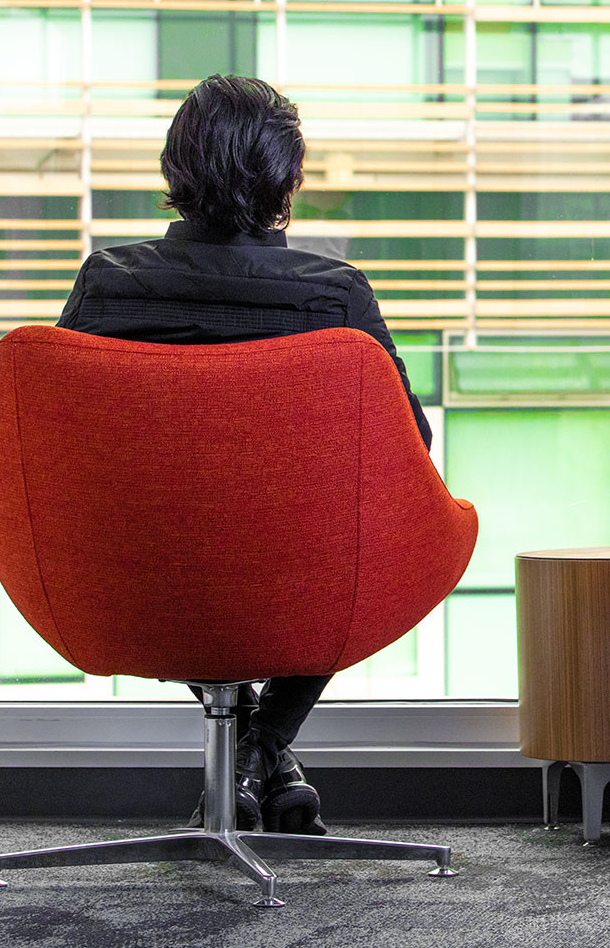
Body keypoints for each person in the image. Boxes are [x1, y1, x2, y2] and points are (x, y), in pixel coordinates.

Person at [56, 74, 432, 835]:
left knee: (167, 542)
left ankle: (246, 757)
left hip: (142, 578)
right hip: (303, 577)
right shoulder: (335, 297)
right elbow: (410, 449)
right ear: (288, 182)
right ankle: (267, 749)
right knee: (341, 547)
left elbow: (69, 461)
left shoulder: (107, 286)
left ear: (173, 172)